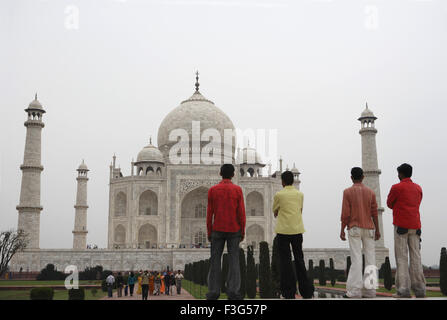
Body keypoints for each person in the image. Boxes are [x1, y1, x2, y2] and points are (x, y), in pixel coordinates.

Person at [206, 164, 246, 300]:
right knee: (234, 261)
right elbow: (241, 212)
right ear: (234, 174)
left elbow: (209, 213)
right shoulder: (237, 190)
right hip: (234, 229)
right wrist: (243, 230)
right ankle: (233, 292)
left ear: (220, 173)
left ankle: (213, 292)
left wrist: (209, 231)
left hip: (217, 229)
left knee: (215, 261)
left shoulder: (213, 190)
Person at [340, 167, 381, 298]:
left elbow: (345, 213)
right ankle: (370, 291)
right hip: (369, 228)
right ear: (363, 177)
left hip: (355, 228)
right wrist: (378, 229)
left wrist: (342, 229)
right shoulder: (370, 192)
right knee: (370, 259)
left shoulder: (347, 192)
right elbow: (375, 213)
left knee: (356, 259)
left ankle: (354, 291)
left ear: (351, 178)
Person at [273, 170, 314, 299]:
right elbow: (300, 210)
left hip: (283, 232)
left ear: (283, 181)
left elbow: (275, 211)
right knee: (299, 260)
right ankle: (306, 292)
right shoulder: (300, 195)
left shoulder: (279, 195)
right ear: (293, 180)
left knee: (285, 263)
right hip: (297, 230)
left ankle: (288, 292)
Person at [387, 163, 425, 298]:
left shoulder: (396, 187)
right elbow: (418, 202)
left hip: (401, 226)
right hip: (415, 226)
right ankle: (420, 289)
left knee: (402, 258)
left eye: (398, 173)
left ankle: (403, 290)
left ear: (401, 174)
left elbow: (389, 203)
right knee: (416, 258)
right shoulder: (418, 188)